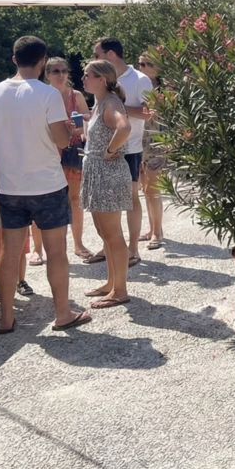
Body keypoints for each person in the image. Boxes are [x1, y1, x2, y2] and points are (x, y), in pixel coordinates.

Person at [0, 35, 89, 333]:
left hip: (10, 187)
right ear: (42, 62)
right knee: (56, 252)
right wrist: (68, 129)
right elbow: (62, 141)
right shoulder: (48, 94)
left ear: (14, 59)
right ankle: (63, 313)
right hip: (47, 185)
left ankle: (6, 317)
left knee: (9, 252)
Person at [93, 38, 153, 267]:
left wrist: (114, 106)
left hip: (130, 146)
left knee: (130, 197)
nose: (93, 58)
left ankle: (133, 249)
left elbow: (149, 113)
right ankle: (110, 245)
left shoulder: (140, 79)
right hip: (103, 147)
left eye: (96, 54)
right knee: (107, 200)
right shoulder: (101, 75)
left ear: (110, 54)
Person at [80, 60, 135, 310]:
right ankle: (111, 283)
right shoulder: (101, 101)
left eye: (87, 75)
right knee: (105, 233)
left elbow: (124, 127)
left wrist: (109, 150)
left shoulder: (111, 102)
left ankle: (120, 290)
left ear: (101, 79)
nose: (83, 78)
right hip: (98, 173)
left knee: (112, 234)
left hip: (108, 173)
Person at [45, 57, 93, 261]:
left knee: (74, 199)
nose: (60, 74)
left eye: (64, 70)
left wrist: (81, 127)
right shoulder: (42, 95)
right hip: (48, 150)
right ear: (47, 74)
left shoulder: (76, 95)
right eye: (55, 71)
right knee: (47, 200)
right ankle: (41, 250)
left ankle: (78, 243)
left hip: (72, 149)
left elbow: (85, 125)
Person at [136, 55, 167, 249]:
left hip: (157, 140)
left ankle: (158, 231)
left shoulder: (165, 90)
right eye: (140, 64)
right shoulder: (138, 87)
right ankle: (152, 228)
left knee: (153, 187)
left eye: (148, 64)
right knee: (145, 187)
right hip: (139, 140)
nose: (143, 67)